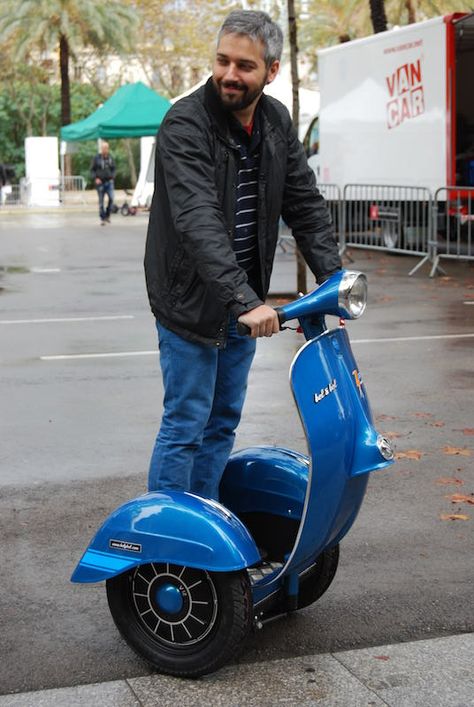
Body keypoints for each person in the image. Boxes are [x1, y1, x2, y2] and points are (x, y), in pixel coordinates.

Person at [144, 10, 341, 500]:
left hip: (243, 302)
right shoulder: (185, 124)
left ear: (271, 70)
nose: (230, 74)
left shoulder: (274, 119)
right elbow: (197, 220)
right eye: (222, 61)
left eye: (245, 66)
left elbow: (304, 200)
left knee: (223, 422)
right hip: (192, 302)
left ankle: (205, 520)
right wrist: (244, 300)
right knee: (187, 423)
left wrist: (335, 276)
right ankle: (168, 540)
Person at [90, 141, 115, 225]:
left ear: (108, 149)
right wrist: (95, 178)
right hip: (100, 182)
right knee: (101, 202)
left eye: (106, 148)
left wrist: (113, 176)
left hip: (109, 182)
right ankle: (103, 218)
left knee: (111, 198)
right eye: (103, 148)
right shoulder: (96, 158)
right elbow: (92, 170)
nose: (105, 149)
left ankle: (108, 215)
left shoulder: (110, 158)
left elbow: (114, 169)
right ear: (101, 149)